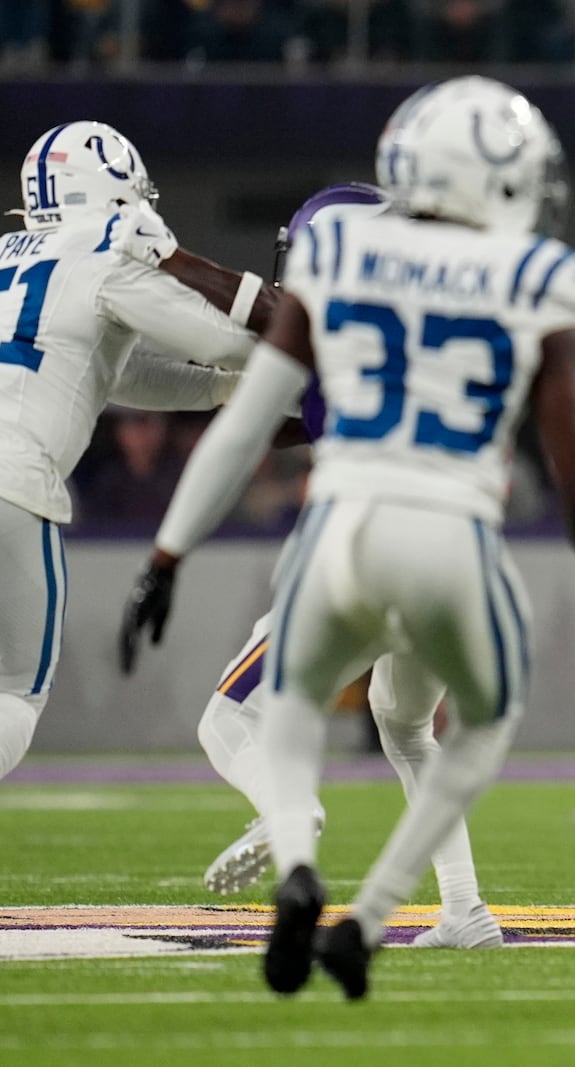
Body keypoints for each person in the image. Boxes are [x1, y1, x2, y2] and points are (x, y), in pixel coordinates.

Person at [119, 76, 575, 998]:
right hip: (456, 544)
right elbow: (573, 454)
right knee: (442, 726)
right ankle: (413, 912)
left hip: (343, 534)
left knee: (263, 716)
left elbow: (246, 427)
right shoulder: (538, 275)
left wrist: (166, 554)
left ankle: (299, 857)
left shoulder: (342, 265)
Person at [117, 183, 507, 951]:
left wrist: (170, 257)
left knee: (229, 717)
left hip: (375, 550)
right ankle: (467, 910)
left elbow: (261, 315)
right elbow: (308, 415)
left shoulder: (343, 318)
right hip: (460, 557)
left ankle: (289, 813)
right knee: (405, 726)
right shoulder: (436, 321)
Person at [0, 120, 269, 782]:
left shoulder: (9, 255)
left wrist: (224, 391)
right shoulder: (101, 253)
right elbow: (220, 339)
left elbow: (111, 371)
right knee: (15, 692)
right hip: (12, 480)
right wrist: (281, 369)